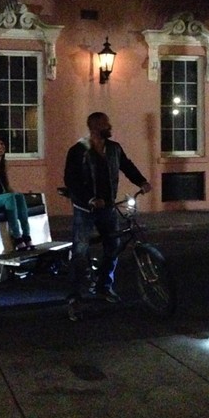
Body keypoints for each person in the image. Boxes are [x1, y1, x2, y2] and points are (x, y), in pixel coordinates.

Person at [63, 112, 152, 317]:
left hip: (108, 207)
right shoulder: (78, 151)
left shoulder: (114, 148)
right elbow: (71, 180)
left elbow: (127, 166)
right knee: (80, 251)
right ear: (95, 127)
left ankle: (103, 285)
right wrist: (89, 199)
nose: (110, 126)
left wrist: (142, 182)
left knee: (113, 246)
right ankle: (74, 298)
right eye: (105, 124)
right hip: (86, 209)